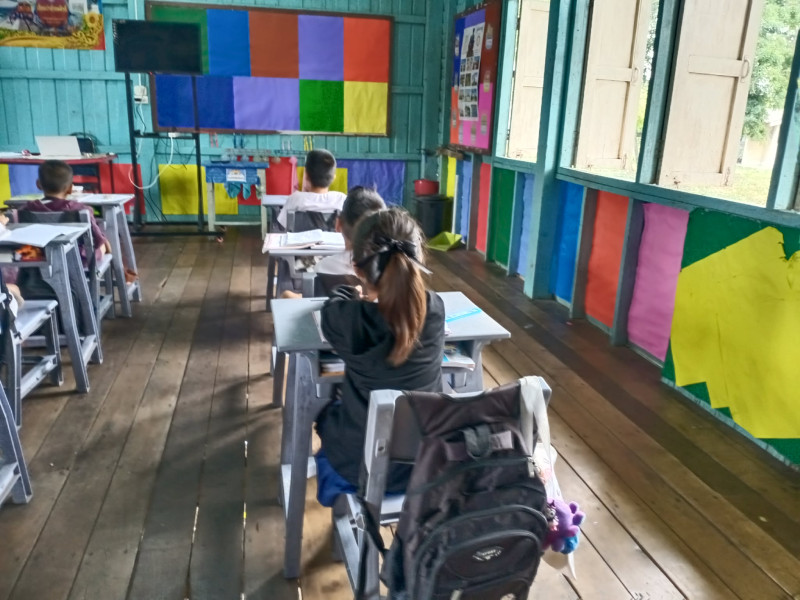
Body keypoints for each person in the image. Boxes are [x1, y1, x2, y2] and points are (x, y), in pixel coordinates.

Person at [314, 208, 445, 505]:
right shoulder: (435, 309)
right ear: (419, 261)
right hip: (427, 464)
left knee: (326, 414)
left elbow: (333, 305)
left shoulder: (349, 319)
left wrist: (351, 293)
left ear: (358, 269)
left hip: (359, 468)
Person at [20, 160, 111, 260]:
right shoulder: (81, 209)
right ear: (70, 188)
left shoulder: (26, 209)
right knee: (103, 245)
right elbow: (97, 240)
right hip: (76, 259)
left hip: (39, 256)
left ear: (38, 184)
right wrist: (103, 242)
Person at [277, 149, 346, 230]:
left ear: (306, 176)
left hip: (301, 239)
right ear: (333, 177)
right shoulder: (341, 199)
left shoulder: (295, 199)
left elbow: (283, 225)